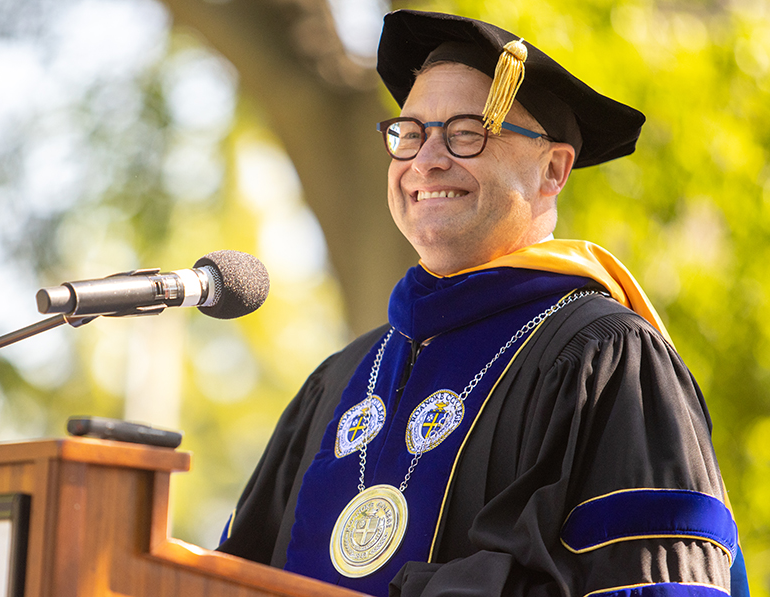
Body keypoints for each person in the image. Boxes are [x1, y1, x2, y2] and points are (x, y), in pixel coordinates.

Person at [218, 9, 747, 597]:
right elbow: (232, 573)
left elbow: (650, 583)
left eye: (467, 132)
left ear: (554, 168)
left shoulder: (603, 358)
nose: (426, 160)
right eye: (410, 133)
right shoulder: (342, 379)